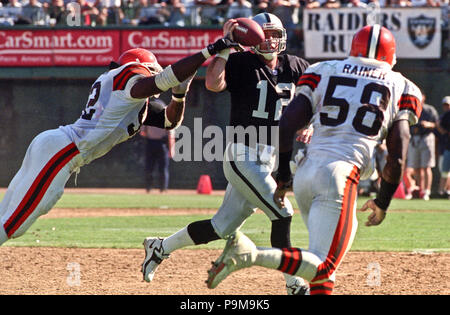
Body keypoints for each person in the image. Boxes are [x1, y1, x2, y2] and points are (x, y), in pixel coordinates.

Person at [206, 24, 423, 295]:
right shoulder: (402, 85)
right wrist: (383, 201)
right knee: (324, 265)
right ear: (391, 57)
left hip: (307, 173)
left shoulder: (323, 69)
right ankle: (250, 254)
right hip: (342, 177)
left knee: (321, 270)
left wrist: (284, 175)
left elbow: (287, 124)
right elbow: (398, 154)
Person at [0, 37, 243, 246]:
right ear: (142, 67)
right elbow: (162, 80)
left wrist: (179, 95)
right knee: (18, 220)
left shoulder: (135, 101)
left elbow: (170, 122)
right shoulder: (127, 77)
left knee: (9, 212)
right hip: (64, 151)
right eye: (153, 70)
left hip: (56, 146)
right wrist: (209, 52)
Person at [141, 13, 311, 295]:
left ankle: (160, 246)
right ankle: (294, 282)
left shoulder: (296, 66)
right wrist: (224, 47)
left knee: (221, 226)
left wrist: (311, 125)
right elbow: (213, 83)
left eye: (275, 34)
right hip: (243, 153)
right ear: (252, 37)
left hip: (269, 157)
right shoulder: (243, 62)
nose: (270, 40)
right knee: (282, 212)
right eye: (264, 34)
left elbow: (311, 100)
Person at [405, 93, 439, 200]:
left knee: (426, 166)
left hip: (426, 138)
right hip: (414, 139)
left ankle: (426, 192)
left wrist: (429, 124)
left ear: (424, 98)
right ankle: (419, 190)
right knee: (416, 168)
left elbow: (437, 124)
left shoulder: (430, 110)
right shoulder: (411, 109)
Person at [140, 125, 175, 192]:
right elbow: (171, 136)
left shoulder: (149, 117)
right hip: (161, 144)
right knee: (162, 168)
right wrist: (171, 149)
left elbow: (143, 133)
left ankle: (149, 188)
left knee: (150, 167)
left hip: (151, 143)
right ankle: (163, 188)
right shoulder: (166, 118)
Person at [437, 96, 450, 197]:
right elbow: (441, 128)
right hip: (448, 147)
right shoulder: (446, 116)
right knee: (445, 171)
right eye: (445, 105)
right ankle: (442, 191)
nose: (447, 107)